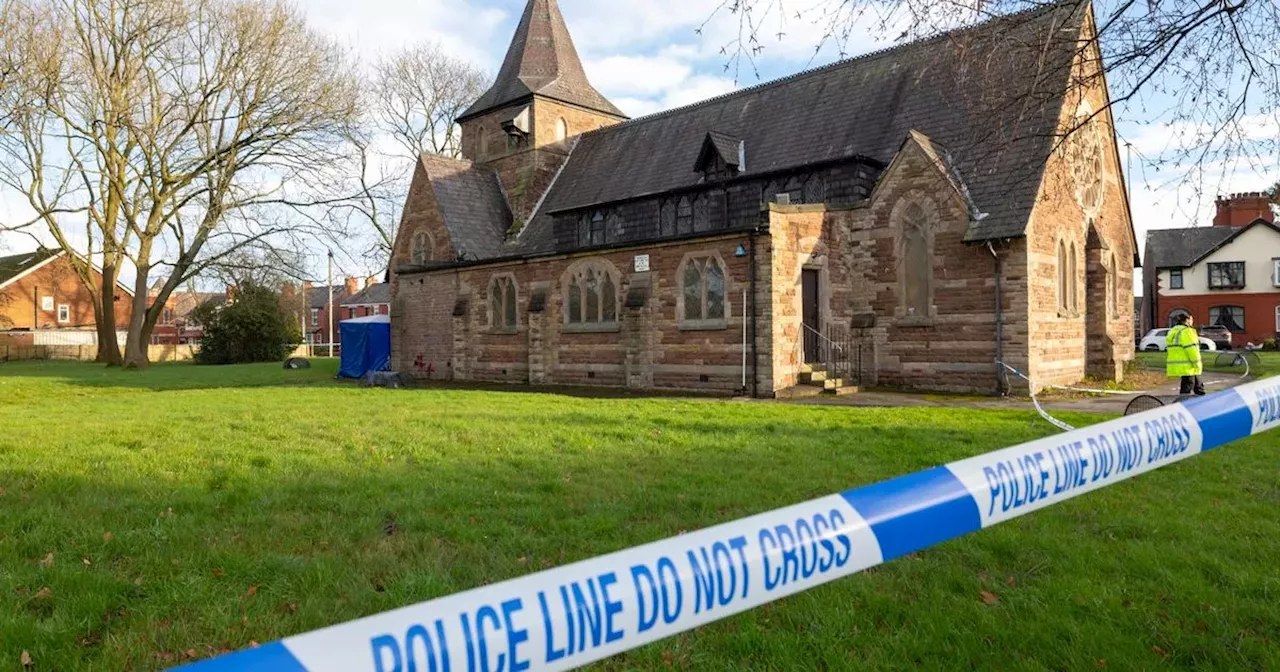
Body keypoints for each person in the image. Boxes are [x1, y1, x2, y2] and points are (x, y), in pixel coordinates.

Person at [1166, 313, 1206, 396]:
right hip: (1188, 364)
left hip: (1178, 363)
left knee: (1197, 385)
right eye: (1191, 319)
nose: (1192, 322)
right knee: (1188, 385)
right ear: (1187, 320)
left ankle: (1201, 400)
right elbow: (1191, 349)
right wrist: (1197, 363)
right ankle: (1182, 404)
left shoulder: (1173, 331)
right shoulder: (1187, 331)